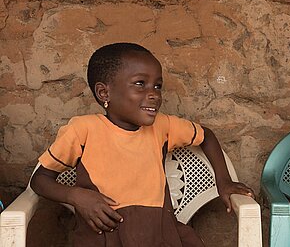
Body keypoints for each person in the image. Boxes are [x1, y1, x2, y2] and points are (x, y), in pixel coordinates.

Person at [30, 42, 254, 247]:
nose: (154, 95)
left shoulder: (162, 126)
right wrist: (77, 197)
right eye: (140, 84)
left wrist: (224, 182)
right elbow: (40, 180)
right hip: (105, 236)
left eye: (157, 86)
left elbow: (206, 136)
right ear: (104, 92)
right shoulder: (83, 129)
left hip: (160, 234)